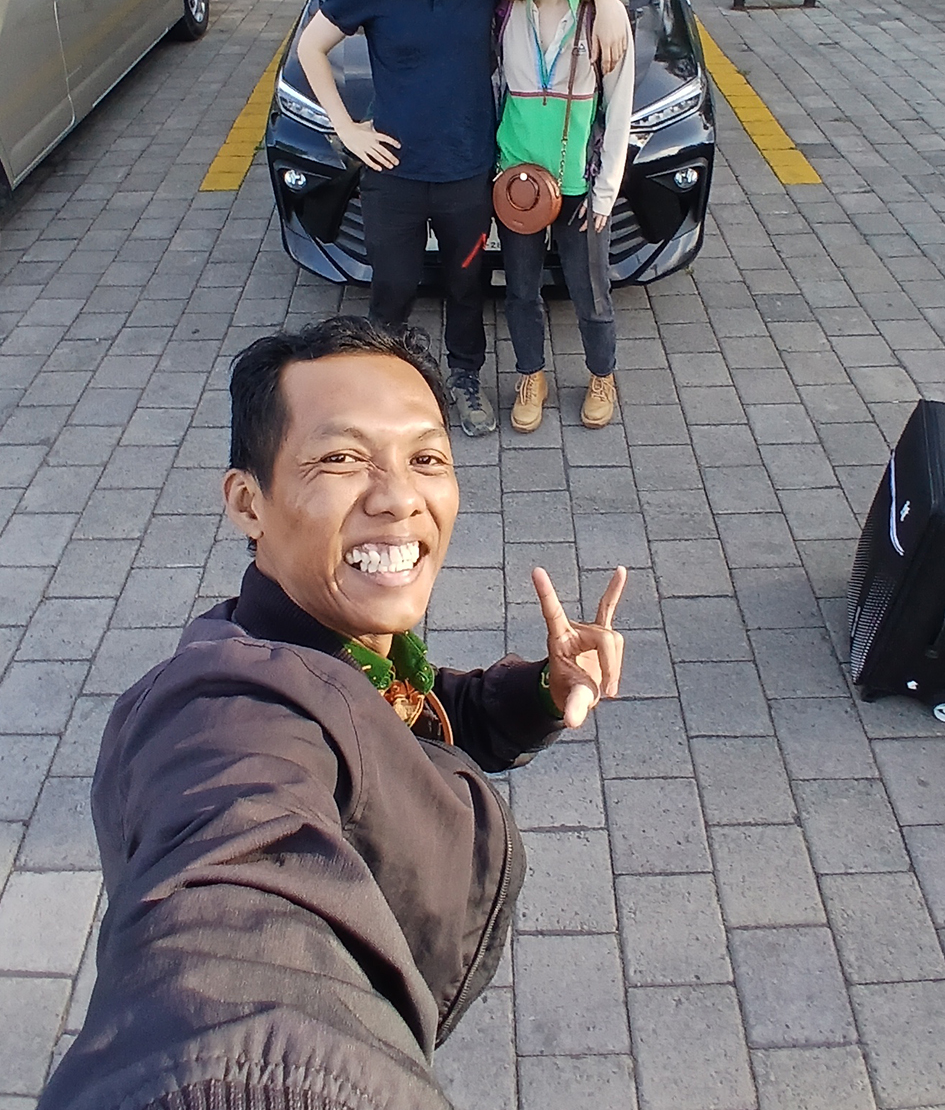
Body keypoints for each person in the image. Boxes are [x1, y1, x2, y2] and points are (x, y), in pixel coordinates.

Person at [38, 316, 626, 1110]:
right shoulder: (223, 715)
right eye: (341, 459)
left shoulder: (338, 647)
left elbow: (409, 717)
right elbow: (231, 936)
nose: (398, 499)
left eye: (426, 459)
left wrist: (542, 693)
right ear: (249, 502)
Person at [297, 0, 629, 439]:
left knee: (467, 284)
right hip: (393, 175)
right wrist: (346, 128)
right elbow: (309, 47)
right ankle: (388, 390)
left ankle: (465, 380)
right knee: (392, 290)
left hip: (472, 174)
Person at [495, 0, 635, 435]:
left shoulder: (605, 17)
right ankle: (531, 374)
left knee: (589, 290)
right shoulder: (505, 4)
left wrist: (606, 191)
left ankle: (603, 375)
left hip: (580, 181)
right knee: (520, 290)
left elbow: (620, 108)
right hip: (517, 180)